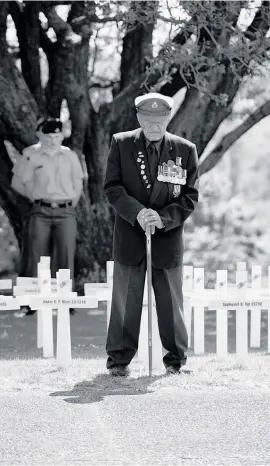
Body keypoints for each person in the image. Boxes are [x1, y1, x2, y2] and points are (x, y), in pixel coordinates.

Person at [104, 92, 199, 377]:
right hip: (131, 236)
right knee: (126, 301)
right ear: (138, 118)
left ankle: (176, 360)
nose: (154, 127)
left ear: (168, 118)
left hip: (167, 237)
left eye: (159, 121)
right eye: (148, 121)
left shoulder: (185, 150)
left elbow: (190, 196)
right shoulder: (121, 144)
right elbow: (112, 187)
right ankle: (119, 361)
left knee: (171, 303)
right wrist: (137, 212)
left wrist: (163, 217)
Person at [11, 117, 84, 315]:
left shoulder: (70, 156)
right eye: (49, 136)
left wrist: (68, 203)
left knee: (66, 253)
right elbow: (17, 183)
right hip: (40, 210)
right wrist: (34, 197)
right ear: (41, 135)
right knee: (35, 253)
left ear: (62, 135)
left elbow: (78, 185)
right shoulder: (31, 155)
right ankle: (30, 301)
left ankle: (64, 299)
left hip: (66, 211)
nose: (53, 140)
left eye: (57, 135)